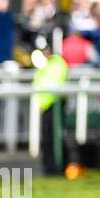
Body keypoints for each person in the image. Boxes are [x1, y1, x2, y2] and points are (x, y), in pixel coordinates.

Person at [32, 44, 71, 176]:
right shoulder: (43, 65)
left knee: (56, 138)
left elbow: (55, 84)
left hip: (56, 106)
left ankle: (58, 168)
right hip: (45, 106)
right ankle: (49, 170)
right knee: (47, 140)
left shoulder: (58, 63)